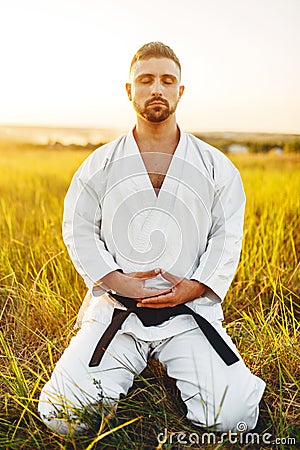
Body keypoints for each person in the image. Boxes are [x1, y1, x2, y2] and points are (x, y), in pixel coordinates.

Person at [38, 42, 265, 435]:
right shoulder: (101, 164)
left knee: (236, 418)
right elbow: (79, 230)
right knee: (63, 416)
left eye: (167, 80)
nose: (156, 88)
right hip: (118, 310)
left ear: (180, 91)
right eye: (146, 79)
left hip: (188, 311)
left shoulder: (216, 167)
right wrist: (115, 279)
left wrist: (194, 287)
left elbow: (227, 237)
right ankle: (118, 355)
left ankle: (184, 357)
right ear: (130, 90)